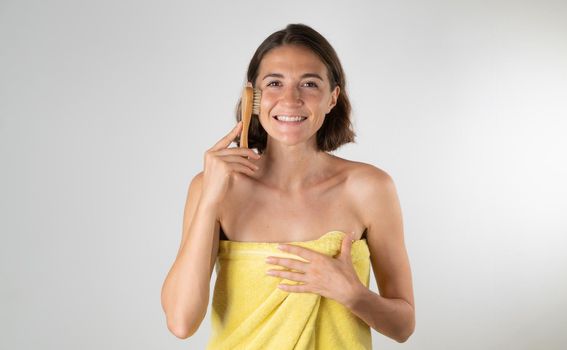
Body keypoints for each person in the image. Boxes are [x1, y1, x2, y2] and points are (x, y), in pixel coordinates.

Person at [161, 23, 415, 348]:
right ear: (252, 97)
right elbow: (181, 322)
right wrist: (210, 199)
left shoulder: (370, 188)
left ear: (332, 97)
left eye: (309, 84)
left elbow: (403, 326)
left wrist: (352, 294)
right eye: (274, 83)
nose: (290, 99)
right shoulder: (211, 188)